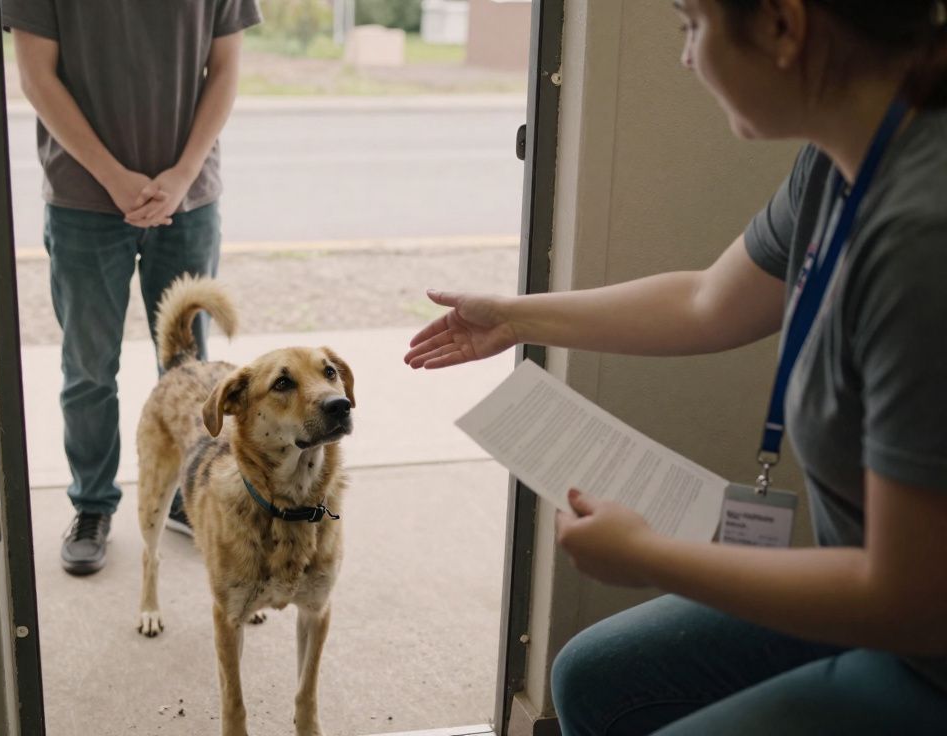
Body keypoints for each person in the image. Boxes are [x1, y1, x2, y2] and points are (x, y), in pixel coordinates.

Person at [406, 0, 947, 733]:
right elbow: (705, 301)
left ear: (785, 27)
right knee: (593, 676)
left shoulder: (920, 239)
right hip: (891, 607)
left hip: (919, 644)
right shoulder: (835, 164)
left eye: (693, 26)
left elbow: (911, 597)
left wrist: (653, 558)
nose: (687, 58)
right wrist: (515, 316)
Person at [1, 0, 262, 575]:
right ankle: (92, 505)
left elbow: (224, 70)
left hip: (187, 198)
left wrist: (184, 174)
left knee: (188, 368)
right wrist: (114, 178)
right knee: (89, 366)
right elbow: (35, 76)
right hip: (83, 200)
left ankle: (187, 497)